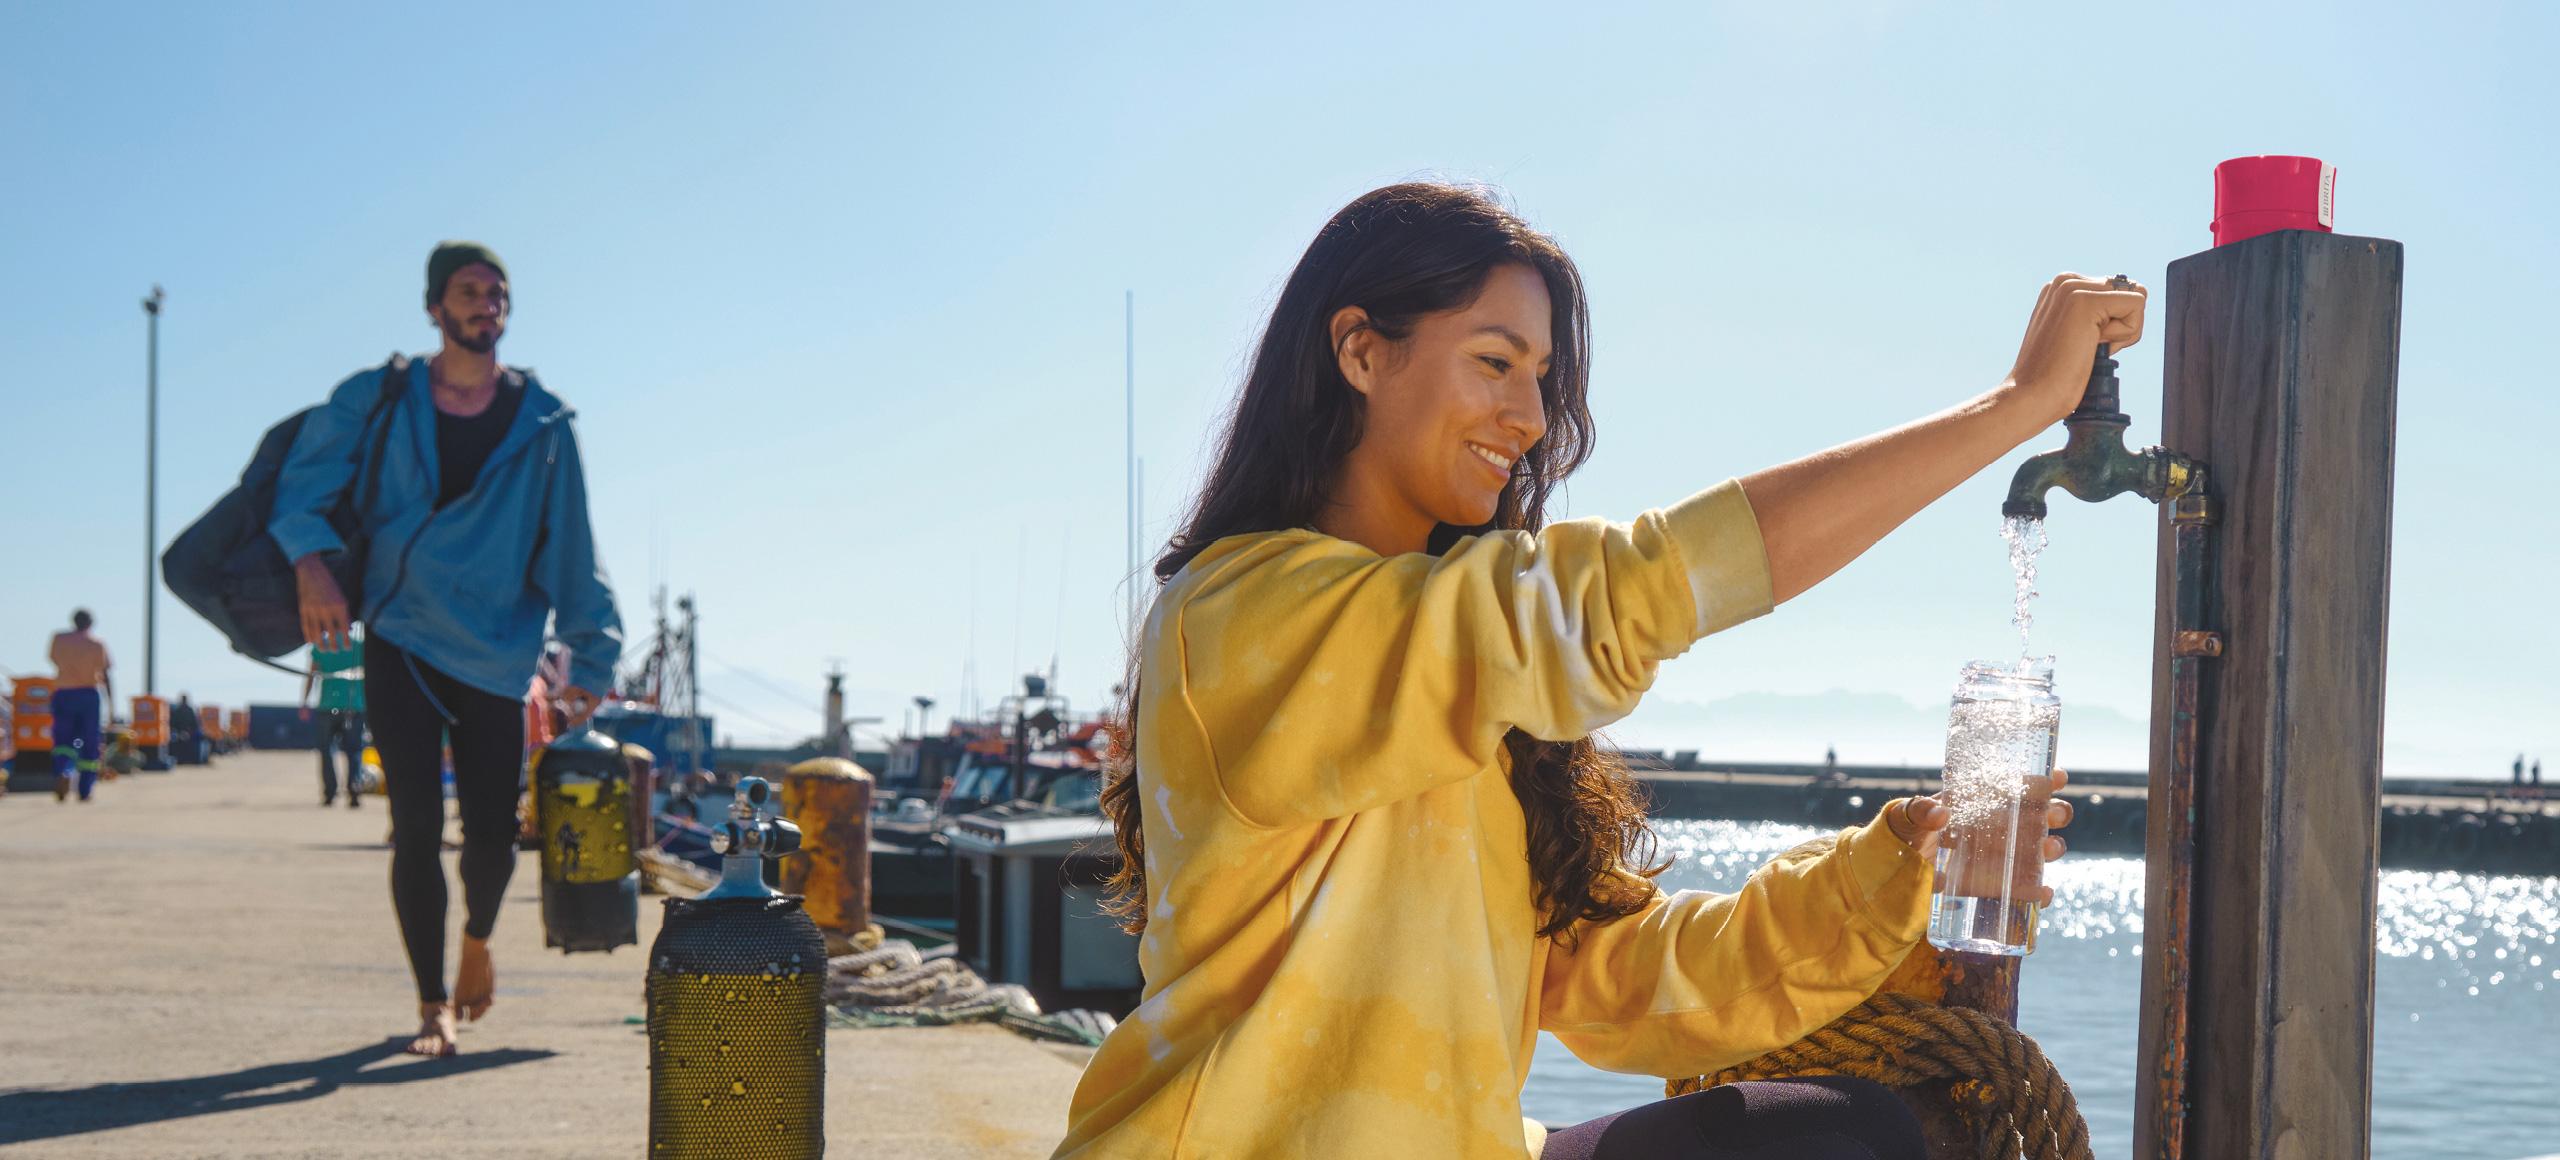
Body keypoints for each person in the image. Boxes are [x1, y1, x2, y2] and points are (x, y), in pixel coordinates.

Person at [1062, 185, 2098, 1159]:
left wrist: (1893, 873)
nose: (1527, 415)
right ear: (1360, 351)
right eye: (1493, 361)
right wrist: (2013, 407)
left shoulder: (1475, 687)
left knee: (1849, 1132)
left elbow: (1621, 981)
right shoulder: (1242, 614)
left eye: (1541, 376)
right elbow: (1625, 592)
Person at [271, 241, 622, 1058]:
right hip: (400, 635)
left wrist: (591, 658)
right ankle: (432, 1003)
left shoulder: (543, 423)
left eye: (497, 294)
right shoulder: (380, 398)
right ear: (435, 307)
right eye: (469, 292)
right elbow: (303, 484)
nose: (486, 305)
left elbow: (572, 544)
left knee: (494, 834)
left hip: (499, 651)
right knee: (417, 825)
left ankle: (477, 942)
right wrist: (311, 566)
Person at [47, 610, 114, 803]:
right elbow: (105, 673)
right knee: (89, 742)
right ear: (90, 624)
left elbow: (53, 659)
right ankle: (85, 789)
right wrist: (111, 705)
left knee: (63, 739)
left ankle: (63, 771)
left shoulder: (58, 639)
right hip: (88, 695)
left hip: (63, 693)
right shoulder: (97, 644)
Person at [301, 636, 368, 808]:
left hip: (327, 706)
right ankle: (354, 792)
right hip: (353, 707)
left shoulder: (321, 646)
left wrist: (304, 702)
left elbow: (311, 674)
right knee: (354, 751)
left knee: (326, 751)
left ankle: (330, 793)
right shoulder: (359, 646)